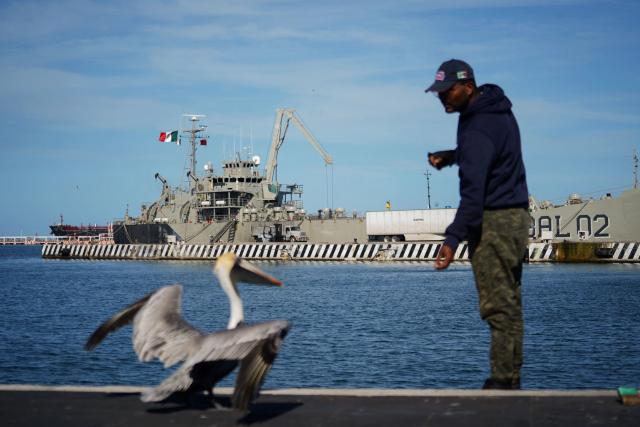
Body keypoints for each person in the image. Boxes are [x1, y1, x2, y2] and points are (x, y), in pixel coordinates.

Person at [425, 59, 530, 390]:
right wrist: (453, 156)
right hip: (515, 215)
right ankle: (509, 377)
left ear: (467, 86)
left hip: (494, 222)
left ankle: (503, 382)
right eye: (439, 92)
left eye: (448, 91)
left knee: (498, 306)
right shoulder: (493, 109)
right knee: (510, 300)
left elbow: (473, 197)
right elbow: (485, 152)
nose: (442, 97)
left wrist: (451, 240)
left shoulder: (477, 128)